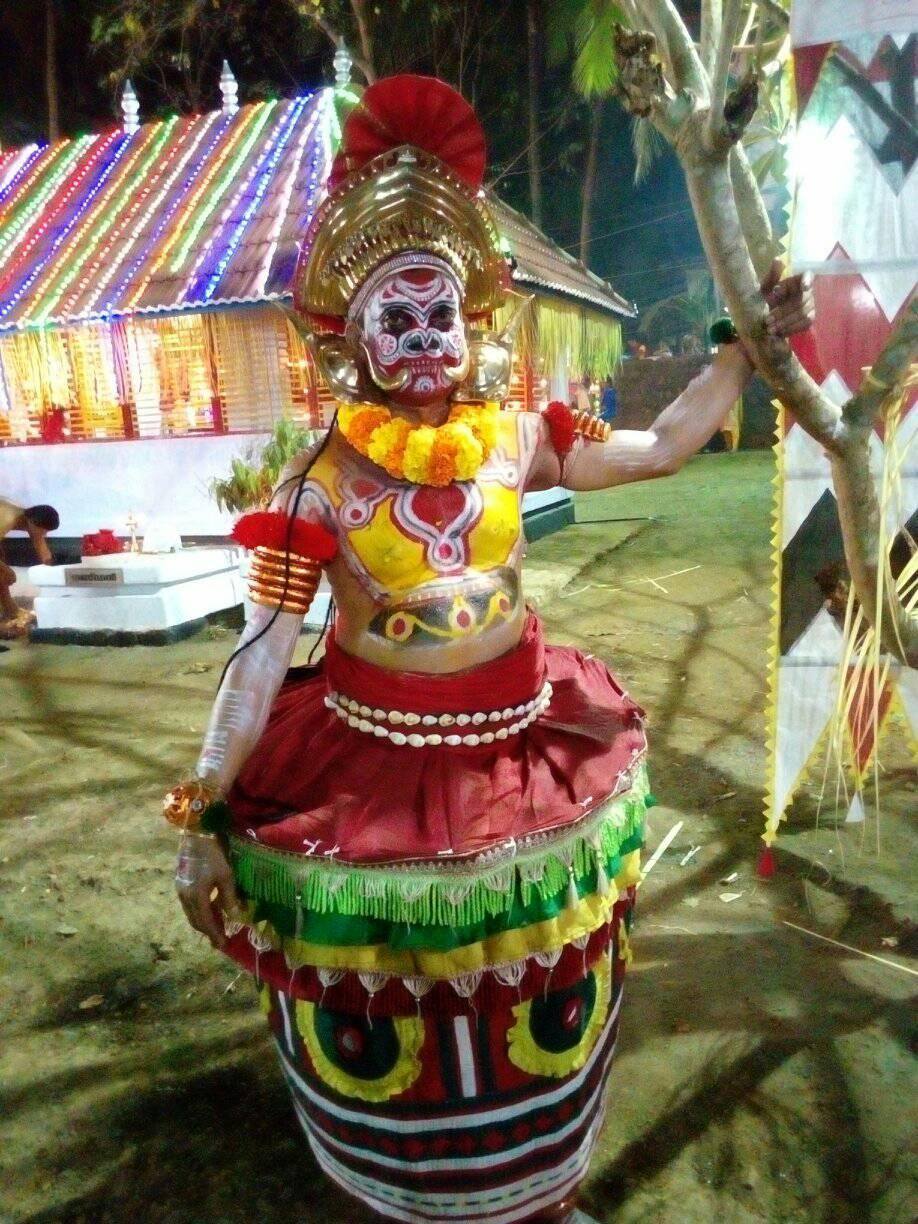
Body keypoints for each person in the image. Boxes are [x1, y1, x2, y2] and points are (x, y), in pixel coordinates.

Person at [164, 75, 814, 1224]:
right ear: (352, 340)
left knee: (546, 972)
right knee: (396, 1000)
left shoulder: (518, 439)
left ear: (472, 327)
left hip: (527, 751)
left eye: (438, 316)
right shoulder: (317, 482)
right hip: (368, 764)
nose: (422, 340)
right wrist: (205, 808)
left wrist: (745, 354)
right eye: (394, 319)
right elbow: (262, 652)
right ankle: (405, 1192)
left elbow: (663, 447)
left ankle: (539, 1183)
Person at [0, 498, 58, 638]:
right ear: (32, 522)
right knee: (3, 572)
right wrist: (7, 570)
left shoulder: (30, 519)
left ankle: (11, 610)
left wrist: (56, 577)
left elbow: (43, 550)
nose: (44, 535)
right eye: (43, 531)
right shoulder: (6, 518)